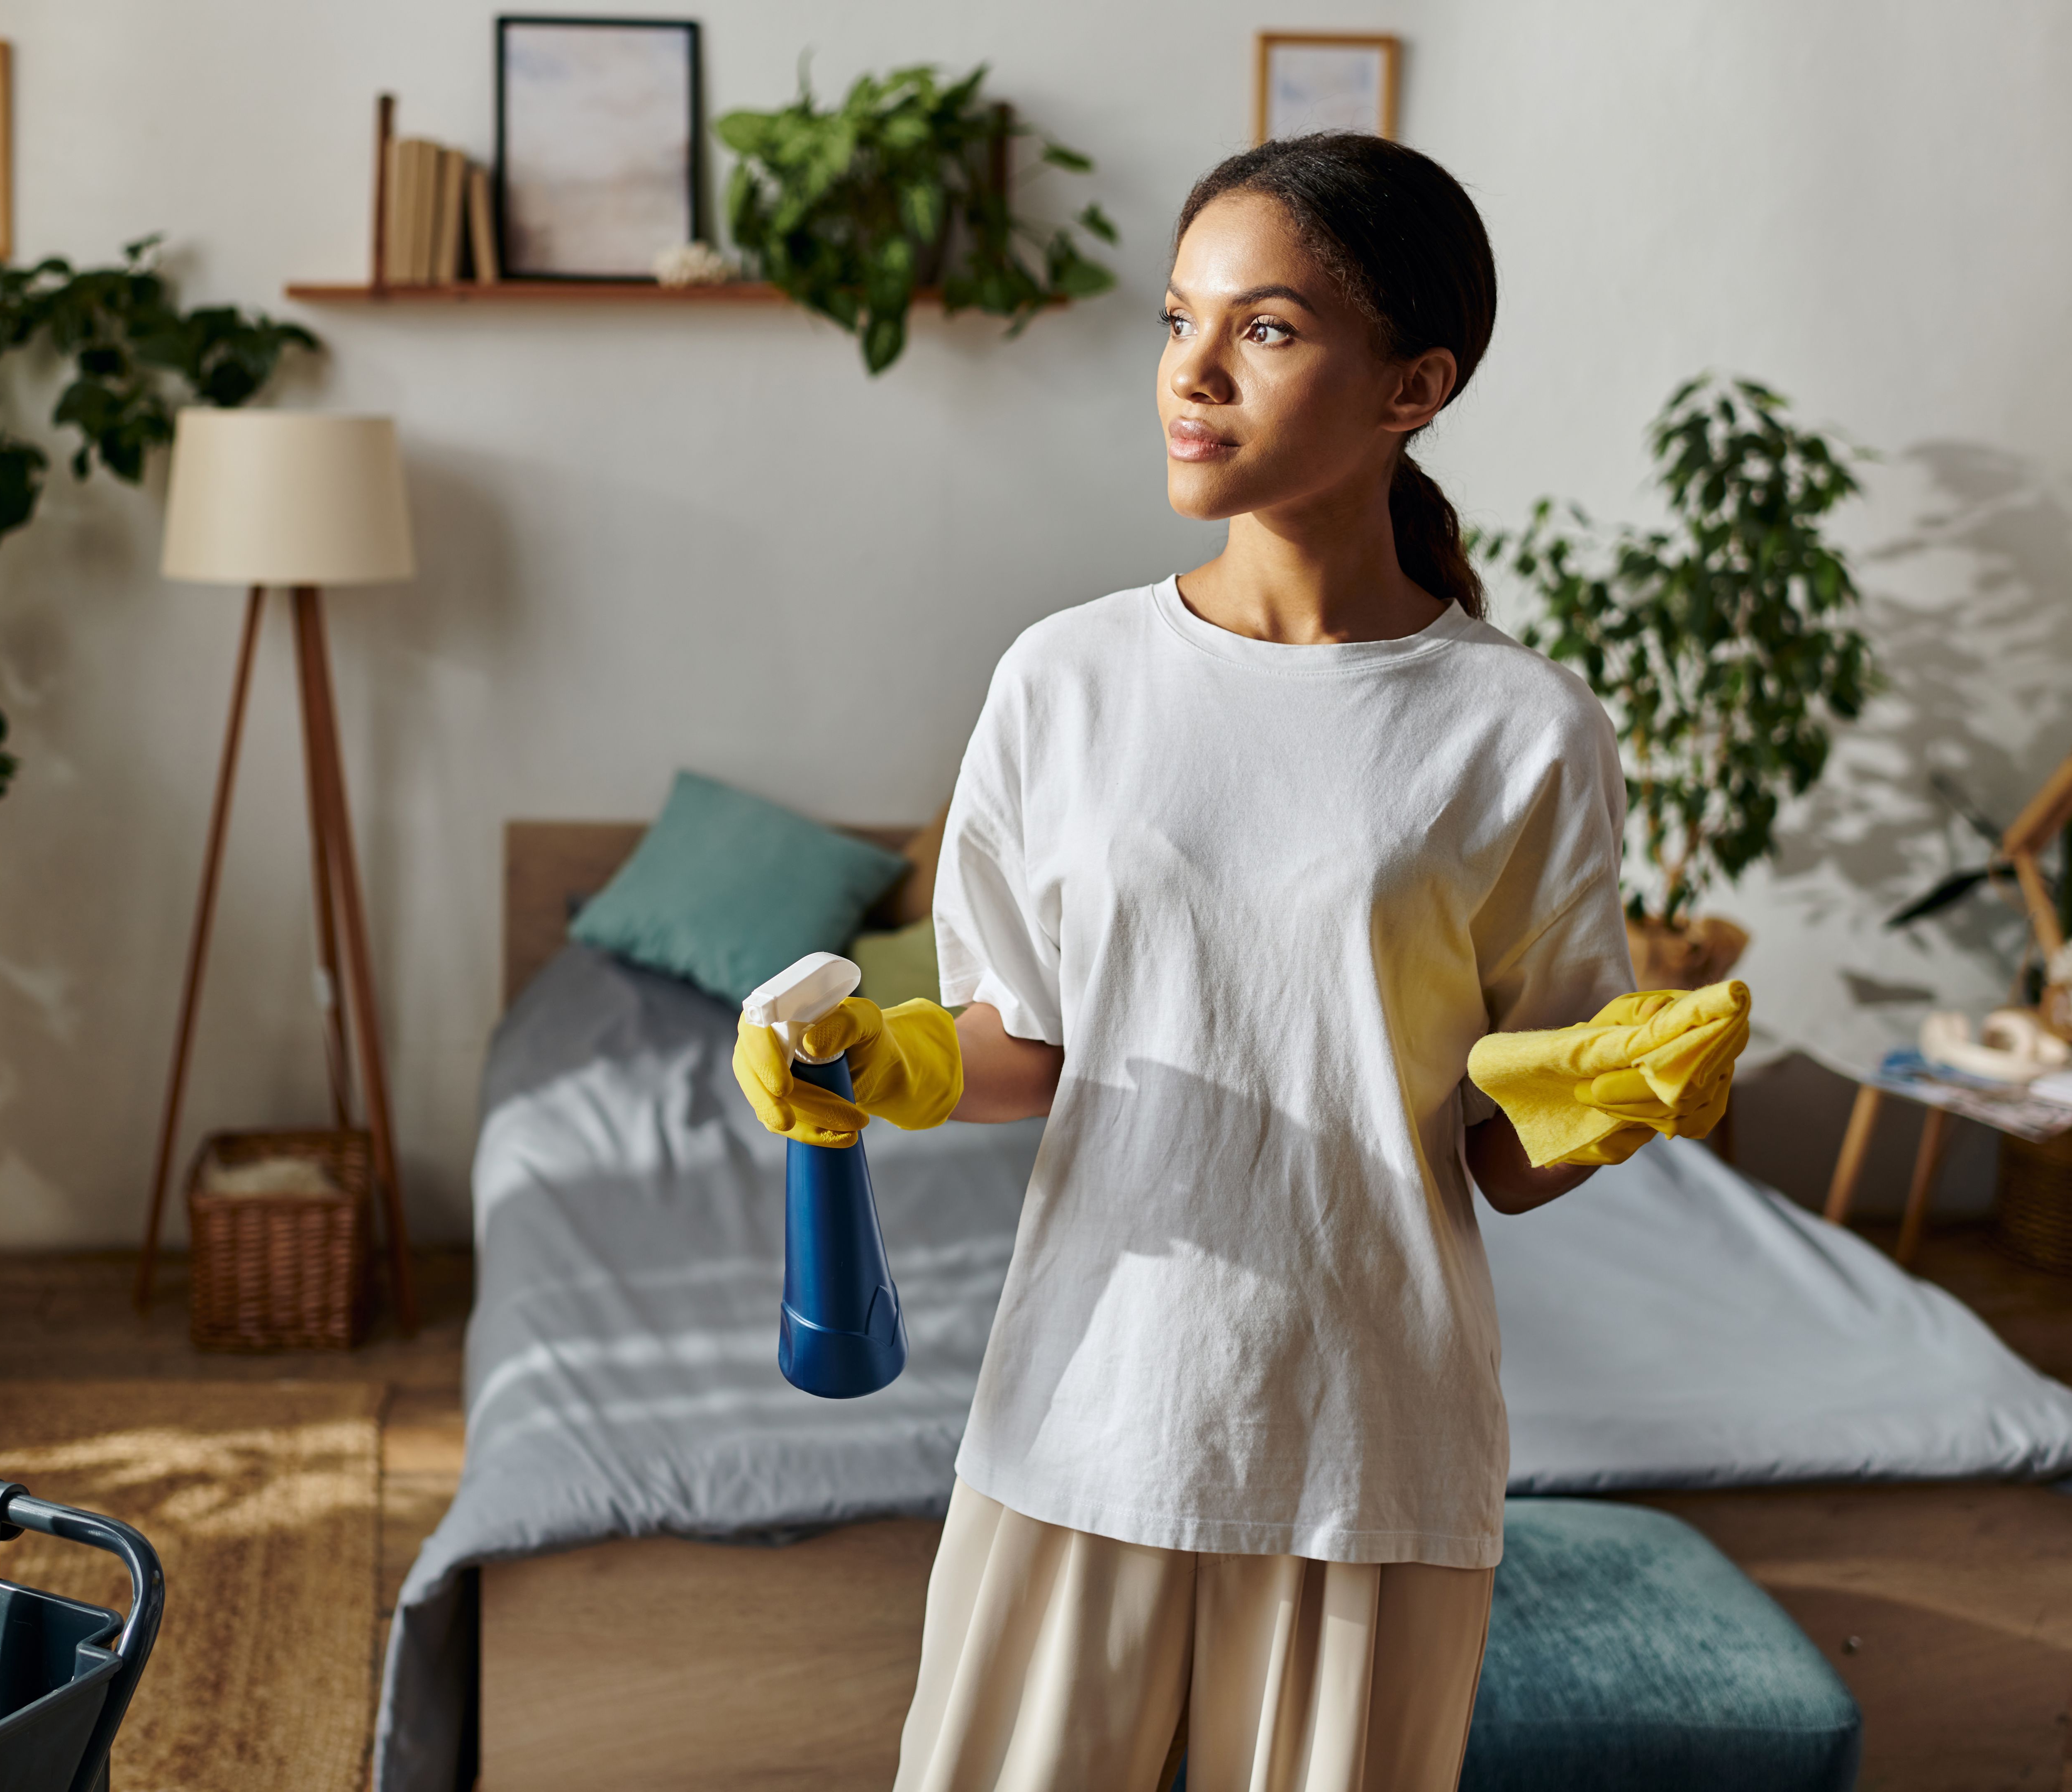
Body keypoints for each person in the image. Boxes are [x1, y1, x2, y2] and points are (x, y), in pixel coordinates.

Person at [733, 132, 1748, 1792]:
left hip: (1377, 1444)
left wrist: (1601, 1106)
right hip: (1084, 1411)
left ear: (1413, 387)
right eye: (1175, 319)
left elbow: (1500, 1158)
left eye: (1266, 331)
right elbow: (1031, 1045)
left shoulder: (1525, 731)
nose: (1190, 376)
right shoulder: (1065, 681)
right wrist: (893, 1065)